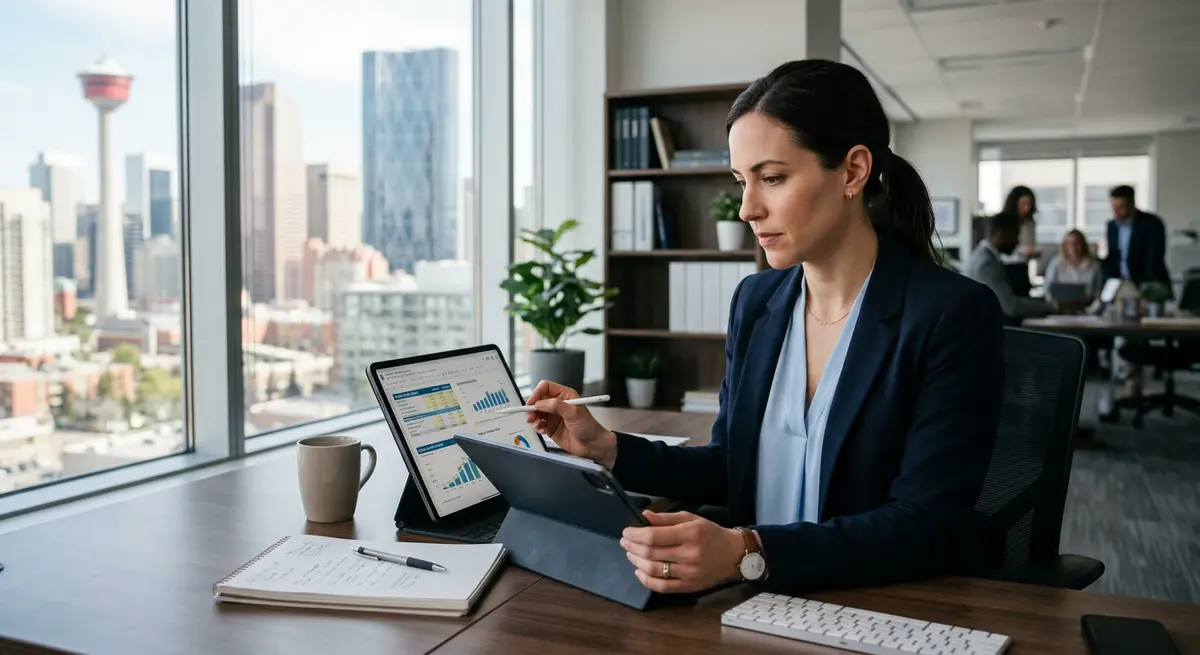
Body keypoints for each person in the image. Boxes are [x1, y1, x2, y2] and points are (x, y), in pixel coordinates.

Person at [526, 59, 1005, 596]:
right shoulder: (757, 303)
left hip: (878, 606)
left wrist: (745, 552)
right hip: (754, 602)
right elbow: (730, 467)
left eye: (772, 178)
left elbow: (928, 525)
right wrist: (607, 447)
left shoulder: (951, 313)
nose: (748, 209)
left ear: (852, 171)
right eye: (740, 181)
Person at [963, 212, 1054, 322]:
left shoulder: (984, 256)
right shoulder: (986, 263)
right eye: (1015, 234)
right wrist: (1053, 307)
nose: (1017, 241)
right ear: (1001, 234)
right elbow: (1011, 307)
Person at [1102, 185, 1170, 286]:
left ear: (1132, 204)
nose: (1116, 213)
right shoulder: (1112, 226)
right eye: (1114, 208)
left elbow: (1153, 259)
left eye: (1120, 208)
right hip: (1121, 283)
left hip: (1147, 283)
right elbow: (1114, 258)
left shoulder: (1151, 223)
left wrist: (1148, 288)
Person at [1044, 229, 1104, 303]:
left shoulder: (1094, 266)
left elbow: (1098, 292)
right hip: (1060, 306)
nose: (1073, 248)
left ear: (1083, 245)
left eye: (1077, 244)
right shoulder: (1056, 264)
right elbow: (1048, 290)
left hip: (1087, 306)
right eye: (1070, 244)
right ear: (1064, 246)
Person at [1002, 185, 1040, 261]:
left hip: (1023, 265)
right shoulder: (1003, 222)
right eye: (1023, 204)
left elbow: (1031, 244)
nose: (1026, 208)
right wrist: (1020, 250)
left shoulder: (1030, 223)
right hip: (1006, 264)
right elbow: (1001, 249)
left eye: (1029, 204)